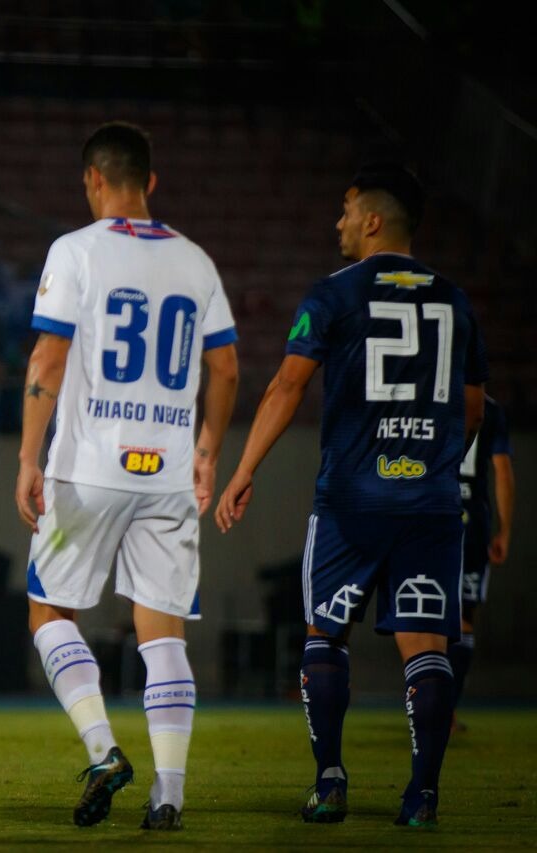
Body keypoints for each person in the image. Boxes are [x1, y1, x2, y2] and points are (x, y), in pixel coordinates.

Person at [215, 164, 487, 828]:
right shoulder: (456, 299)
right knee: (426, 646)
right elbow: (473, 406)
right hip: (429, 503)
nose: (337, 223)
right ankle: (422, 796)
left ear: (372, 219)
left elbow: (286, 385)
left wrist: (244, 467)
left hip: (350, 500)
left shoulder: (333, 294)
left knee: (324, 634)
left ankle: (330, 781)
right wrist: (428, 459)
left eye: (345, 211)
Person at [16, 121, 239, 831]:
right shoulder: (197, 260)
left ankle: (104, 749)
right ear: (151, 182)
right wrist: (206, 448)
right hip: (168, 471)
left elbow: (47, 360)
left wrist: (28, 456)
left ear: (93, 180)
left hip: (88, 469)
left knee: (49, 611)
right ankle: (169, 794)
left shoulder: (75, 250)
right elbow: (227, 367)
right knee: (162, 634)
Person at [451, 396, 513, 728]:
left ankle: (426, 703)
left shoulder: (432, 394)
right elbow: (502, 471)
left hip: (429, 509)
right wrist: (504, 529)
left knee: (420, 617)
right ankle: (446, 709)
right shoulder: (491, 409)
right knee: (463, 618)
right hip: (472, 520)